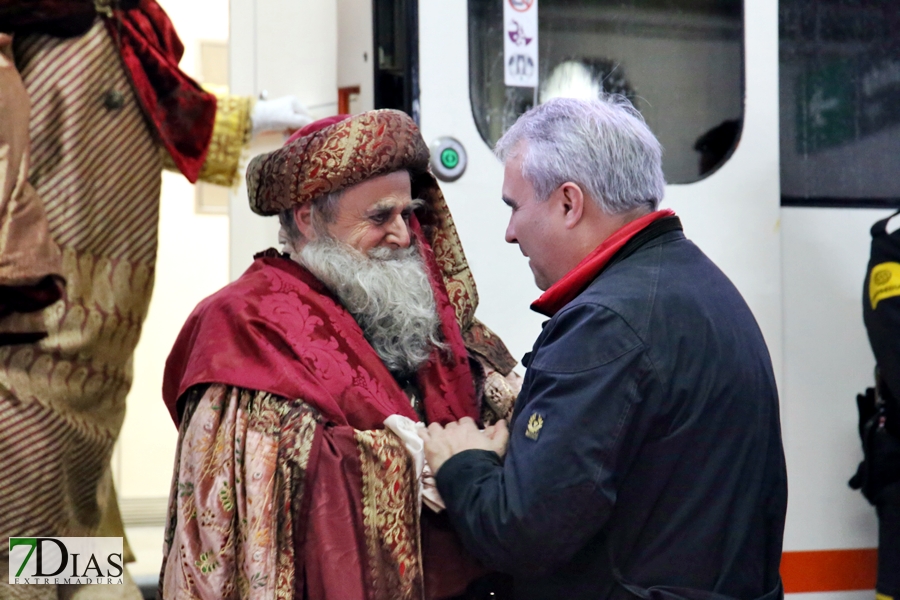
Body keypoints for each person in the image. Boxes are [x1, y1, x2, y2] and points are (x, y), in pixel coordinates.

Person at [419, 96, 788, 600]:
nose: (509, 233)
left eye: (515, 206)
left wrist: (461, 461)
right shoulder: (698, 287)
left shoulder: (607, 325)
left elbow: (521, 533)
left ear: (569, 203)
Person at [0, 3, 310, 598]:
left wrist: (256, 119)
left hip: (94, 356)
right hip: (29, 344)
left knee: (77, 542)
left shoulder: (117, 28)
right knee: (30, 549)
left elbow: (168, 119)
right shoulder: (40, 33)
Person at [159, 109, 520, 599]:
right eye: (379, 217)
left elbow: (501, 395)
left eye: (407, 213)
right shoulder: (243, 322)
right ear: (308, 218)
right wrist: (437, 459)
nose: (403, 235)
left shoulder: (417, 301)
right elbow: (262, 484)